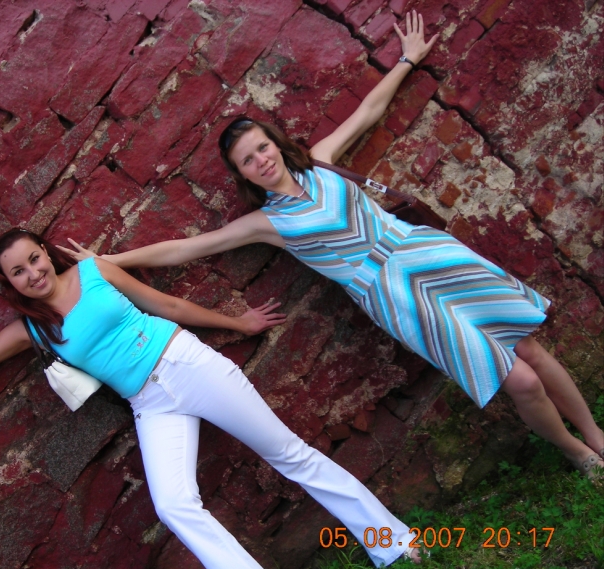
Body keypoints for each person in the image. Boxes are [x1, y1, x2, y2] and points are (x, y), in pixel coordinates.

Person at [64, 12, 604, 481]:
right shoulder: (266, 222)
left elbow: (368, 112)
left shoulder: (320, 162)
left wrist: (408, 60)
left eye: (262, 147)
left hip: (424, 251)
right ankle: (576, 452)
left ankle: (596, 434)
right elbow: (185, 248)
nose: (261, 160)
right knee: (519, 378)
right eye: (248, 160)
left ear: (276, 143)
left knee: (529, 346)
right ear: (242, 175)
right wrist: (107, 261)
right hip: (392, 294)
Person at [0, 228, 423, 569]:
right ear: (10, 282)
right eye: (18, 272)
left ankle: (393, 541)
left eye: (34, 259)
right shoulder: (33, 329)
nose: (33, 273)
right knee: (173, 505)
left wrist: (237, 323)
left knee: (290, 455)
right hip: (151, 404)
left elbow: (166, 303)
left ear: (45, 251)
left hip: (186, 363)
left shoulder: (93, 271)